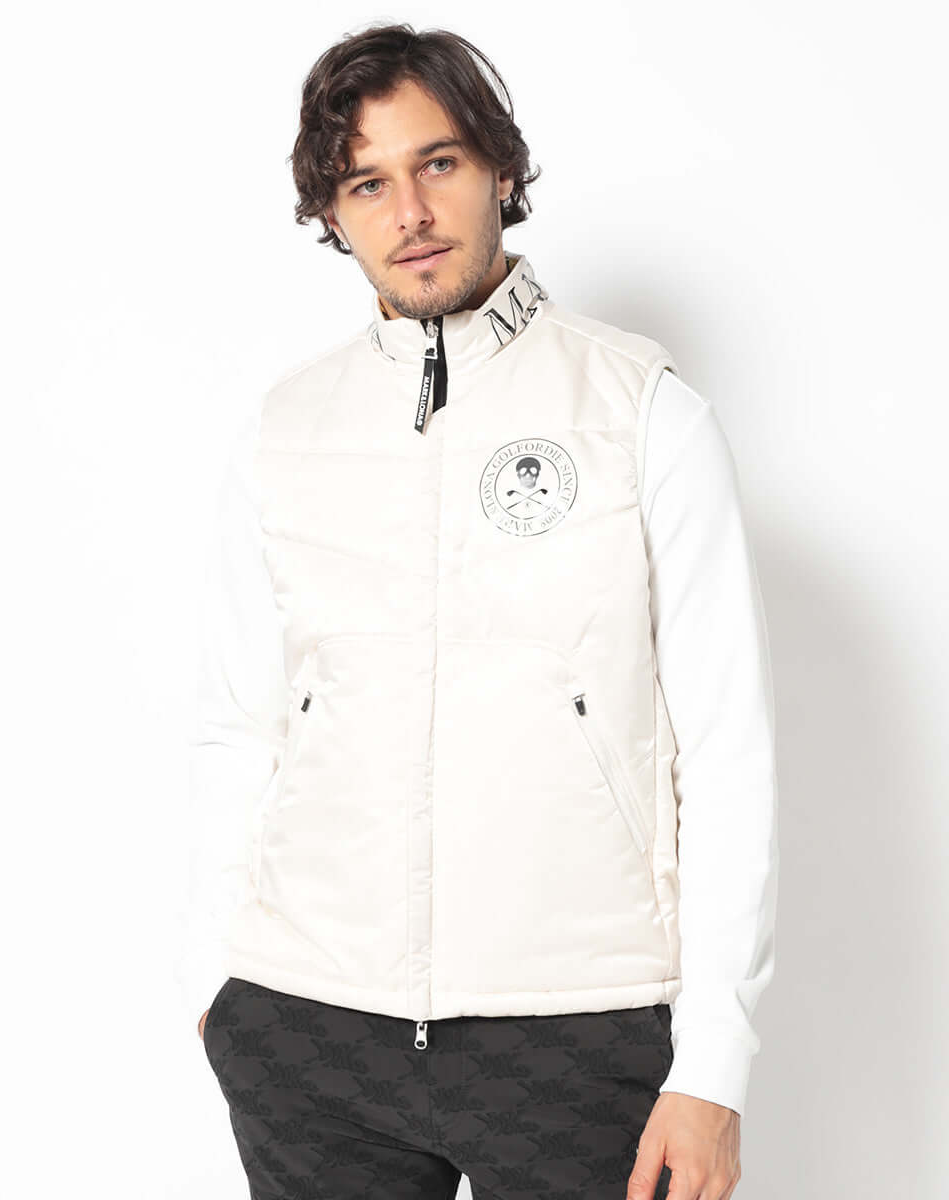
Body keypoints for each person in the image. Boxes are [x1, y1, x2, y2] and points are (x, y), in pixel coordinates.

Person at [175, 21, 779, 1200]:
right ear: (332, 211)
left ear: (499, 168)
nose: (408, 211)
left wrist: (714, 1060)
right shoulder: (284, 433)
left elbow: (726, 753)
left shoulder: (642, 414)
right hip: (309, 1026)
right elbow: (237, 727)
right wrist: (218, 985)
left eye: (438, 163)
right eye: (367, 182)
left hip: (578, 1028)